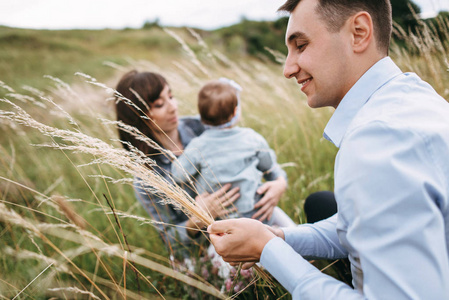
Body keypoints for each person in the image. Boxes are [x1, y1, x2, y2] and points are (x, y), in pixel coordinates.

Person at [207, 0, 449, 299]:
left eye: (301, 45)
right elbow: (359, 222)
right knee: (322, 203)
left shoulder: (379, 139)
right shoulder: (413, 96)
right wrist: (278, 237)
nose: (288, 68)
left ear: (359, 33)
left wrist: (268, 251)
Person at [114, 70, 288, 256]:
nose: (173, 107)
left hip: (256, 212)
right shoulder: (146, 176)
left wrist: (279, 183)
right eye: (159, 104)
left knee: (293, 242)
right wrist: (197, 220)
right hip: (210, 246)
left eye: (171, 96)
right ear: (138, 116)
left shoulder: (205, 125)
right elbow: (169, 239)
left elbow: (257, 154)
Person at [171, 78, 295, 226]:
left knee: (221, 246)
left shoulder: (197, 146)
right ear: (235, 112)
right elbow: (268, 164)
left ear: (201, 115)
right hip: (258, 211)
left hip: (222, 220)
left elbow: (178, 174)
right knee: (290, 231)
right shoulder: (252, 138)